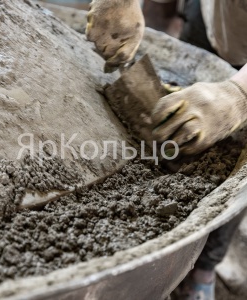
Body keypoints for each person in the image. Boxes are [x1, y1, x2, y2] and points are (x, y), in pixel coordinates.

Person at [85, 1, 247, 299]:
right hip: (216, 11)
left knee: (235, 163)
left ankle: (203, 269)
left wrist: (240, 94)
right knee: (190, 107)